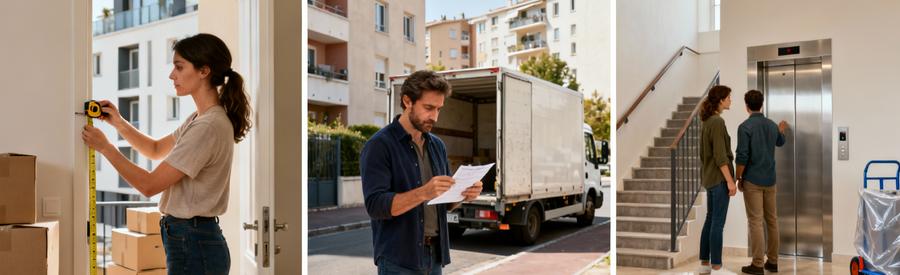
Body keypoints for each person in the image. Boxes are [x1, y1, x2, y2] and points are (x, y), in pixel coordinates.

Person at [82, 33, 251, 275]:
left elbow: (149, 185)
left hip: (194, 242)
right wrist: (119, 123)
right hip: (191, 239)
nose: (172, 75)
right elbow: (155, 150)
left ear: (204, 70)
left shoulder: (208, 126)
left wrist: (105, 148)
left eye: (179, 67)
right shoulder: (199, 119)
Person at [361, 70, 483, 275]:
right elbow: (375, 206)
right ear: (407, 101)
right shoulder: (379, 145)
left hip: (435, 256)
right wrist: (423, 193)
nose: (434, 116)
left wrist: (464, 193)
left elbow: (445, 203)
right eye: (428, 108)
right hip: (398, 260)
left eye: (438, 109)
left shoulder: (437, 146)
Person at [735, 90, 788, 274]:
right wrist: (781, 129)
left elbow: (742, 156)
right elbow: (780, 141)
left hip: (752, 180)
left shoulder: (745, 127)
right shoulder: (772, 125)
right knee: (772, 220)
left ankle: (757, 263)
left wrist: (738, 178)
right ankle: (772, 262)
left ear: (747, 106)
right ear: (762, 104)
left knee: (755, 222)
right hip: (770, 180)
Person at [698, 85, 737, 275]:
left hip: (710, 178)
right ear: (721, 100)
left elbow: (704, 155)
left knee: (710, 220)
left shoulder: (707, 122)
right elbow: (721, 156)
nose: (731, 100)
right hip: (719, 180)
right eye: (729, 97)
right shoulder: (717, 122)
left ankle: (705, 264)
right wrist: (730, 181)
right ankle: (717, 268)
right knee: (717, 223)